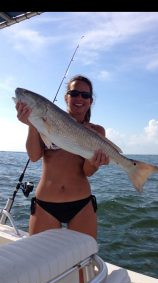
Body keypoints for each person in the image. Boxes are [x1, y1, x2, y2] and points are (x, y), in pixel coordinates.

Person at [15, 75, 109, 240]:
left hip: (81, 204)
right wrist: (32, 124)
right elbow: (34, 156)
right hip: (46, 203)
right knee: (42, 261)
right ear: (66, 98)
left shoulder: (97, 132)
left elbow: (87, 172)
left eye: (85, 95)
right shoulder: (45, 121)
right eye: (74, 93)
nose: (79, 98)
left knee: (83, 261)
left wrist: (94, 163)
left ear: (90, 101)